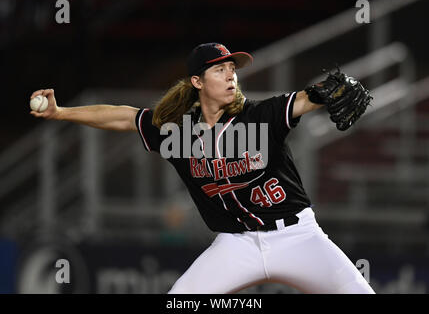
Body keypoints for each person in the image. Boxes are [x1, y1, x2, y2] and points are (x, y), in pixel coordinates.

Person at [30, 42, 375, 294]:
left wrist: (325, 91)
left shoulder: (258, 116)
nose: (231, 75)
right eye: (220, 69)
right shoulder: (177, 131)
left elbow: (303, 99)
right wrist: (61, 113)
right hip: (235, 244)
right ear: (197, 81)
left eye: (232, 69)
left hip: (297, 236)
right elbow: (124, 116)